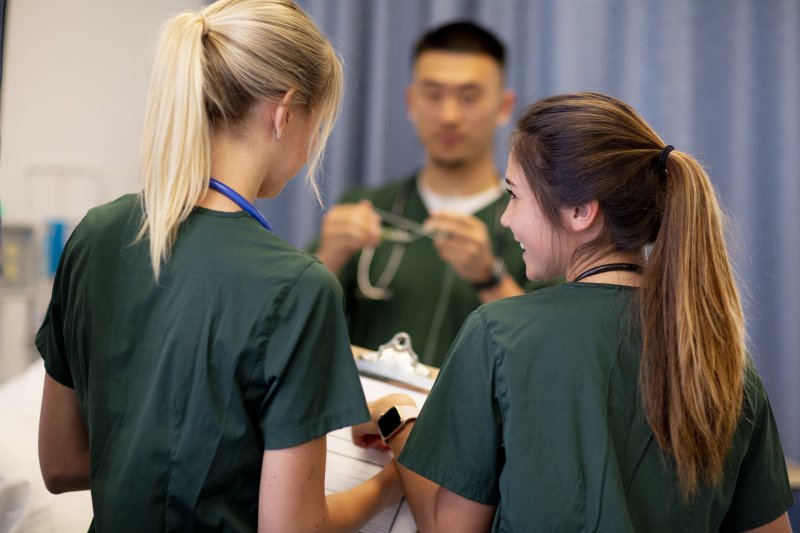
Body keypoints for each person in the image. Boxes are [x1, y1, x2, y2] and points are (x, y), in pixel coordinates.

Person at [35, 1, 401, 531]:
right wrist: (390, 483)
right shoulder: (298, 287)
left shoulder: (97, 233)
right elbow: (294, 527)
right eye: (316, 124)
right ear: (286, 112)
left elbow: (62, 463)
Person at [357, 93, 795, 531]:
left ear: (581, 211)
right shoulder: (723, 364)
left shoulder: (500, 334)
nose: (506, 220)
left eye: (514, 196)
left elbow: (448, 528)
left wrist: (397, 417)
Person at [312, 21, 550, 367]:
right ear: (411, 101)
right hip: (372, 418)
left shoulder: (537, 225)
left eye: (469, 97)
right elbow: (295, 326)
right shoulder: (366, 208)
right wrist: (328, 257)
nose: (449, 116)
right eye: (433, 95)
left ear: (503, 106)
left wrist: (489, 278)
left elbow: (550, 351)